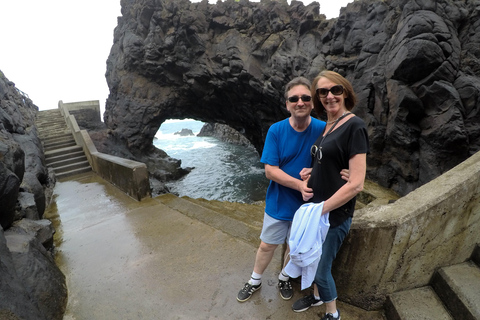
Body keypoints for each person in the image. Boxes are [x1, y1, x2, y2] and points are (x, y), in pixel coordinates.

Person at [236, 77, 348, 303]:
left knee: (294, 246)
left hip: (308, 207)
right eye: (294, 98)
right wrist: (298, 184)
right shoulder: (276, 131)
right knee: (267, 244)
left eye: (306, 98)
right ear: (287, 104)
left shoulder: (323, 129)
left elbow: (336, 159)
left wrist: (345, 172)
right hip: (279, 202)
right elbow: (270, 171)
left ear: (313, 103)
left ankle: (284, 277)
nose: (300, 102)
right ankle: (254, 280)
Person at [291, 70, 369, 320]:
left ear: (345, 92)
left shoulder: (355, 126)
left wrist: (320, 209)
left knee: (322, 270)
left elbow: (356, 184)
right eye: (322, 92)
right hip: (318, 207)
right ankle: (316, 297)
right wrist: (312, 171)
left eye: (335, 90)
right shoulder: (328, 125)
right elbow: (331, 160)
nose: (330, 96)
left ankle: (332, 313)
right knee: (312, 261)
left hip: (333, 214)